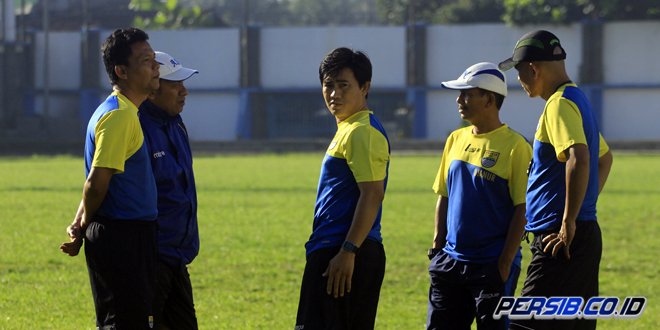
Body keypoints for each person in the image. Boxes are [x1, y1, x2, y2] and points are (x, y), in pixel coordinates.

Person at [498, 30, 614, 330]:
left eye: (520, 72)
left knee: (525, 323)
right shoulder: (578, 98)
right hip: (580, 232)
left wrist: (569, 220)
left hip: (557, 237)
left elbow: (580, 158)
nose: (519, 81)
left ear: (533, 68)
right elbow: (604, 158)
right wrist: (581, 208)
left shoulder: (558, 105)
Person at [59, 27, 160, 328]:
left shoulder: (124, 111)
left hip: (130, 235)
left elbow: (96, 182)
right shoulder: (119, 116)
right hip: (122, 237)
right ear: (122, 71)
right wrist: (84, 224)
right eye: (145, 61)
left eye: (153, 59)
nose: (155, 67)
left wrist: (80, 224)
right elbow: (97, 181)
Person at [426, 62, 532, 330]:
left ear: (489, 98)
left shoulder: (516, 146)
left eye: (467, 94)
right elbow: (444, 195)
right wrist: (438, 248)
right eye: (459, 94)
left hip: (491, 264)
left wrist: (505, 263)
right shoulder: (455, 139)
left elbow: (522, 208)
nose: (459, 101)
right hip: (450, 261)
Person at [295, 47, 390, 330]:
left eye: (343, 85)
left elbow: (372, 193)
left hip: (346, 253)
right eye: (329, 85)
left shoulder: (363, 131)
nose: (334, 94)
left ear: (365, 87)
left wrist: (348, 251)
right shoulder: (348, 128)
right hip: (335, 250)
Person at [138, 51, 200, 330]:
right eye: (175, 84)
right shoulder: (136, 127)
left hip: (177, 257)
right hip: (150, 261)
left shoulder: (177, 124)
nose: (184, 91)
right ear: (152, 89)